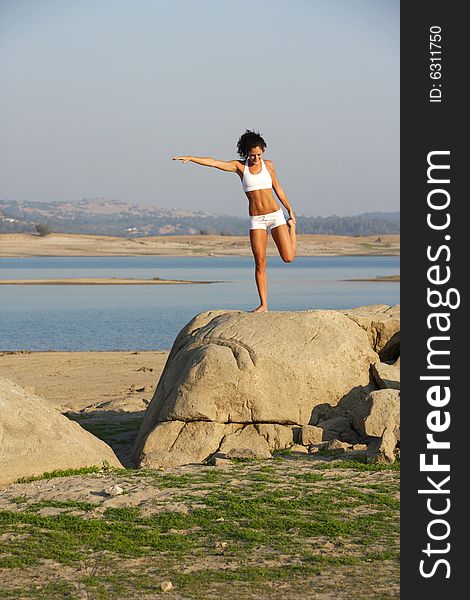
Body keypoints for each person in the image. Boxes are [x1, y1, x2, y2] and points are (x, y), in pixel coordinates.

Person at [173, 129, 296, 312]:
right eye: (252, 155)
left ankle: (292, 229)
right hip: (257, 220)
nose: (256, 159)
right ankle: (263, 304)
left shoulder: (269, 165)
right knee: (260, 262)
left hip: (276, 215)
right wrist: (191, 158)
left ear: (263, 151)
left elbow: (278, 188)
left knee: (288, 258)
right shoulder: (240, 167)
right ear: (246, 153)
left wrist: (289, 210)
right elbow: (214, 162)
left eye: (259, 155)